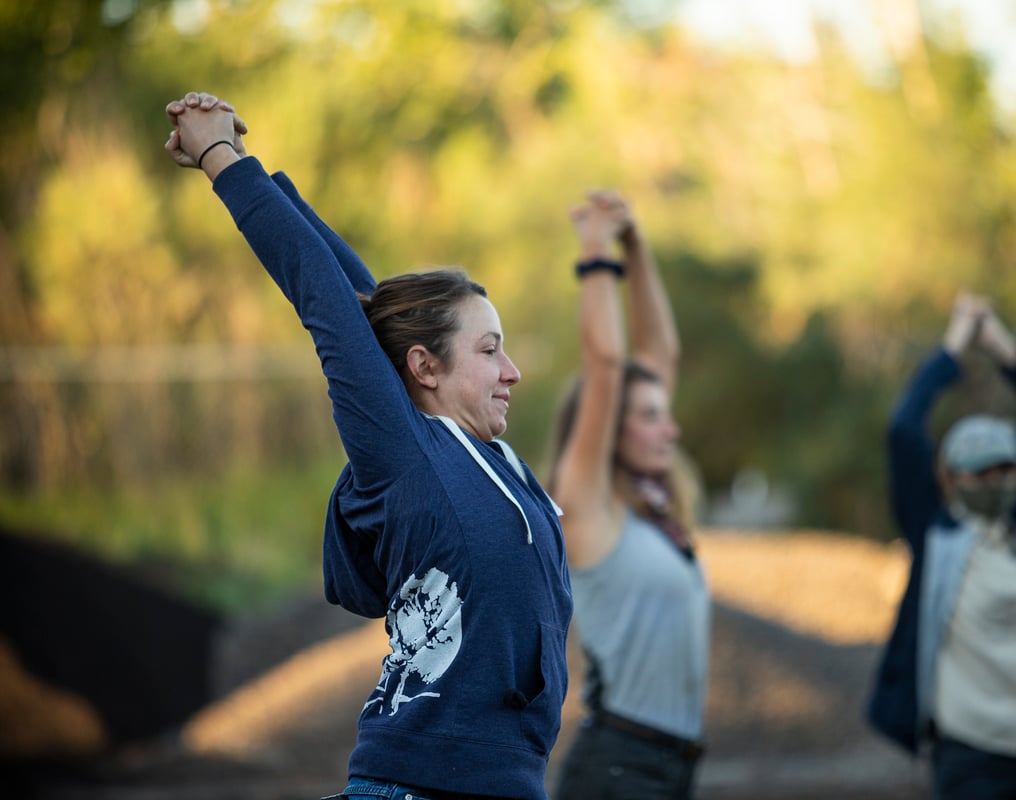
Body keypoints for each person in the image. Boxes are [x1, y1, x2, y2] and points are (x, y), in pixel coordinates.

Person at [164, 92, 572, 800]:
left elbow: (361, 298)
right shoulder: (407, 457)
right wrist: (219, 158)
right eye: (489, 350)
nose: (512, 371)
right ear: (425, 367)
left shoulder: (493, 462)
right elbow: (326, 299)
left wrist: (259, 165)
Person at [866, 291, 1016, 800]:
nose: (993, 481)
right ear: (950, 479)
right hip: (970, 756)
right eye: (978, 472)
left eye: (1004, 469)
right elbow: (903, 430)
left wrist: (1003, 346)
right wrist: (955, 343)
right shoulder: (935, 538)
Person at [547, 191, 709, 800]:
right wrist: (595, 250)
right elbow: (608, 364)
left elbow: (659, 353)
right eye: (649, 416)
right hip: (620, 769)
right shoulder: (587, 505)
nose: (670, 428)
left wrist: (636, 246)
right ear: (611, 426)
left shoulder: (650, 510)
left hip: (671, 767)